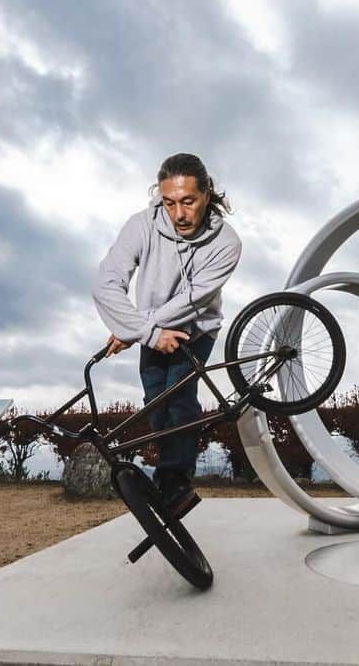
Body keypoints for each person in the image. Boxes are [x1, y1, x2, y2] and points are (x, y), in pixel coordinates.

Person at [92, 153, 242, 507]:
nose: (179, 214)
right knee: (155, 403)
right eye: (170, 203)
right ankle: (167, 477)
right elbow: (105, 285)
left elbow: (194, 300)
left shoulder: (227, 243)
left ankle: (175, 483)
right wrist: (144, 331)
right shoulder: (141, 225)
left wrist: (137, 329)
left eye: (188, 202)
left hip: (196, 327)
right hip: (149, 328)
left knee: (178, 396)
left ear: (207, 193)